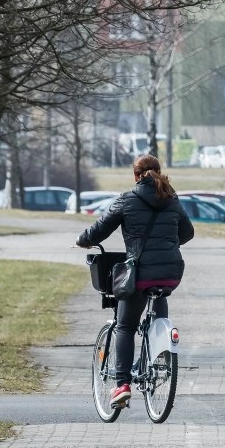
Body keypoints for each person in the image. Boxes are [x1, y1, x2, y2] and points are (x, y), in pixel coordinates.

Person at [76, 154, 194, 408]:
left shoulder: (128, 199)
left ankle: (122, 385)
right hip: (171, 273)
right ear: (159, 172)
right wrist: (167, 244)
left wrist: (84, 239)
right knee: (159, 316)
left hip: (139, 274)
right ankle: (157, 357)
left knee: (125, 326)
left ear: (136, 175)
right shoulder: (172, 200)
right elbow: (188, 233)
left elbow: (101, 228)